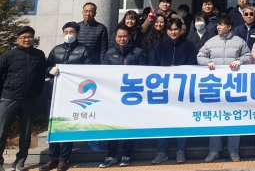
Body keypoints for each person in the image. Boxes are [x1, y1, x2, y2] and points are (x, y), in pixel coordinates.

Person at [198, 15, 252, 163]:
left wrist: (239, 60)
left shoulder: (239, 41)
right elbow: (200, 56)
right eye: (218, 25)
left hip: (233, 86)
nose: (218, 27)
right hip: (215, 86)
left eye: (221, 25)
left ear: (229, 27)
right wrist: (207, 62)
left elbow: (248, 56)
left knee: (234, 118)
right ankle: (214, 150)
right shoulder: (211, 41)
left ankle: (233, 151)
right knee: (216, 118)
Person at [41, 22, 92, 171]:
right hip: (54, 92)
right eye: (66, 32)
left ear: (78, 33)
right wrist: (49, 70)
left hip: (72, 94)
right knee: (53, 125)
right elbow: (46, 67)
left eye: (72, 32)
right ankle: (52, 159)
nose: (68, 34)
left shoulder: (84, 50)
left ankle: (63, 159)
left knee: (67, 125)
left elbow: (88, 71)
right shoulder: (56, 50)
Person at [150, 18, 198, 164]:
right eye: (170, 29)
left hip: (182, 89)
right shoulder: (161, 46)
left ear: (181, 30)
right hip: (164, 90)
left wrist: (179, 70)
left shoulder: (188, 46)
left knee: (182, 120)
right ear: (167, 31)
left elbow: (193, 65)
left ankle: (180, 150)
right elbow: (154, 65)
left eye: (176, 29)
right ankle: (162, 152)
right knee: (163, 120)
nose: (173, 32)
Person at [100, 26, 148, 167]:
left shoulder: (138, 52)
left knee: (129, 124)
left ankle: (127, 153)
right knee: (112, 124)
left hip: (132, 95)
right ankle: (111, 154)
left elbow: (144, 72)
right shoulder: (109, 54)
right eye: (119, 36)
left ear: (130, 37)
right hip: (113, 96)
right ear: (115, 38)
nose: (122, 39)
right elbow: (102, 73)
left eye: (125, 36)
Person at [0, 26, 46, 171]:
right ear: (18, 39)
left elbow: (41, 75)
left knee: (25, 132)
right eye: (24, 37)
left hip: (29, 98)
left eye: (30, 37)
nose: (27, 39)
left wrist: (37, 92)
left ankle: (20, 161)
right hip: (9, 98)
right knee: (2, 130)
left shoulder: (39, 55)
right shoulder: (8, 55)